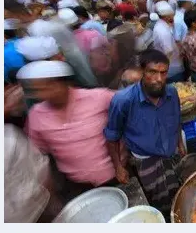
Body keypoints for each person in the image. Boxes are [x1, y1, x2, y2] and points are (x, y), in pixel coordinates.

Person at [104, 50, 185, 217]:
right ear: (142, 72)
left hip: (171, 153)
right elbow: (112, 137)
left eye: (163, 73)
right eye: (152, 72)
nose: (159, 79)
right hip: (146, 161)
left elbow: (176, 119)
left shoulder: (172, 93)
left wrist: (179, 143)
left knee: (179, 189)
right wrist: (119, 167)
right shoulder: (123, 101)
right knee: (159, 199)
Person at [21, 61, 117, 201]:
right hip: (77, 187)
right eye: (38, 90)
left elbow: (129, 108)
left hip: (116, 176)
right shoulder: (36, 115)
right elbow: (39, 152)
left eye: (45, 88)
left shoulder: (98, 97)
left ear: (62, 83)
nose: (42, 95)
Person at [153, 1, 185, 83]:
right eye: (172, 15)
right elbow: (169, 51)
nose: (173, 17)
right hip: (172, 68)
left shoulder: (161, 25)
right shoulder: (163, 31)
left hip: (171, 65)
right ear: (167, 17)